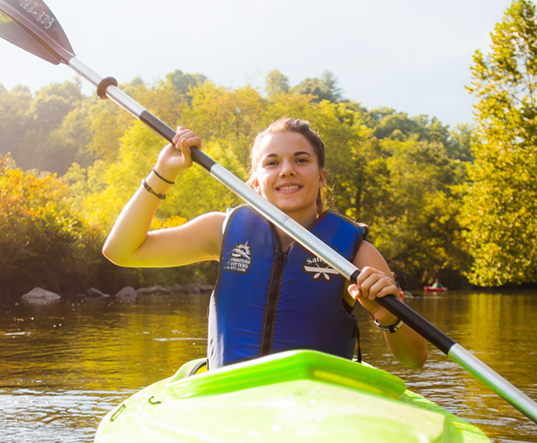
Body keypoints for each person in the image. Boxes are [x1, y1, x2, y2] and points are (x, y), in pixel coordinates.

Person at [102, 117, 428, 370]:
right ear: (255, 183)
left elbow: (416, 359)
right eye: (272, 163)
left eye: (301, 160)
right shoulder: (222, 230)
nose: (287, 170)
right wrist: (163, 172)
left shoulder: (356, 253)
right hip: (233, 399)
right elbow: (121, 251)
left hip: (316, 410)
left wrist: (388, 318)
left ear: (322, 177)